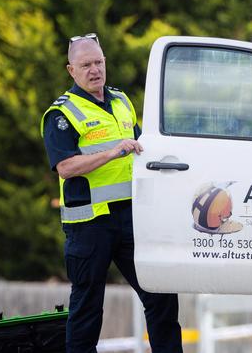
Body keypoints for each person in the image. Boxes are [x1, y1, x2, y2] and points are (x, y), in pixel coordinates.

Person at [40, 33, 183, 353]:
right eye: (86, 64)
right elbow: (66, 167)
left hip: (131, 217)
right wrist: (112, 153)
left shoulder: (121, 101)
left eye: (99, 62)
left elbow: (141, 150)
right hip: (89, 224)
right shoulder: (62, 114)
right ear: (71, 70)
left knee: (160, 295)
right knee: (87, 307)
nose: (94, 70)